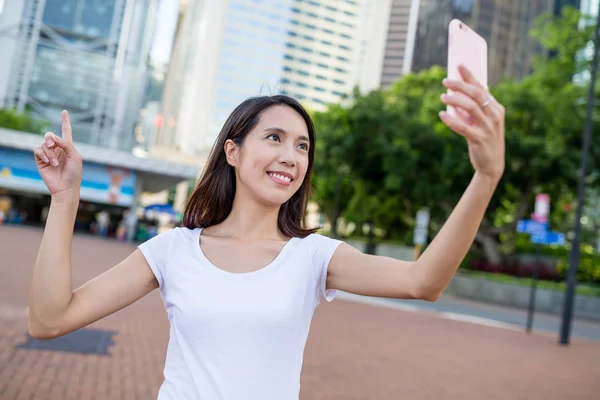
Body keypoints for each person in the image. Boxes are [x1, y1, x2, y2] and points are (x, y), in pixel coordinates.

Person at [28, 65, 505, 400]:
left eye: (302, 146)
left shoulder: (314, 257)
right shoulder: (173, 250)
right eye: (274, 138)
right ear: (232, 152)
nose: (291, 156)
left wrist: (485, 177)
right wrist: (66, 198)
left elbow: (424, 282)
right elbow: (49, 322)